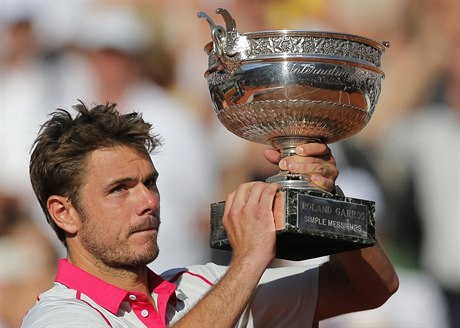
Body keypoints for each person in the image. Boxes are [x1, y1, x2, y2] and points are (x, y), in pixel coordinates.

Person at [22, 102, 398, 327]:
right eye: (119, 189)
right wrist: (248, 260)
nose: (148, 201)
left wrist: (327, 202)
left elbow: (369, 287)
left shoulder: (203, 285)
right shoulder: (56, 317)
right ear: (64, 213)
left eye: (149, 183)